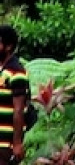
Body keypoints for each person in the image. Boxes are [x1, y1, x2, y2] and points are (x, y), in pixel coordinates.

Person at [0, 25, 27, 165]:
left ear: (8, 46)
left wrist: (17, 143)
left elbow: (18, 109)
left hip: (6, 144)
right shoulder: (3, 70)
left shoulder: (16, 72)